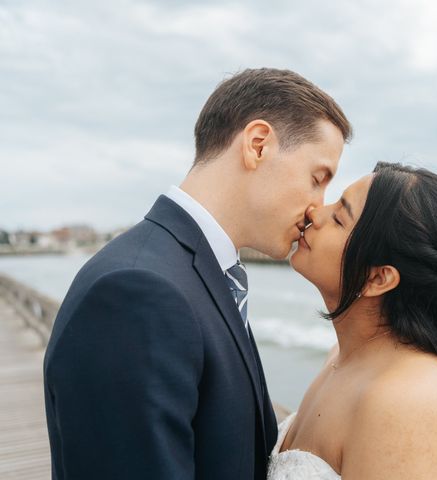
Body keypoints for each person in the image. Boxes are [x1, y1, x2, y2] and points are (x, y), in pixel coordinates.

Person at [43, 68, 352, 480]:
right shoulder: (138, 292)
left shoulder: (198, 273)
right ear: (257, 145)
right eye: (317, 179)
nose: (317, 207)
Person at [269, 162, 437, 479]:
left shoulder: (409, 401)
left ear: (379, 278)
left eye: (338, 218)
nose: (315, 213)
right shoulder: (344, 357)